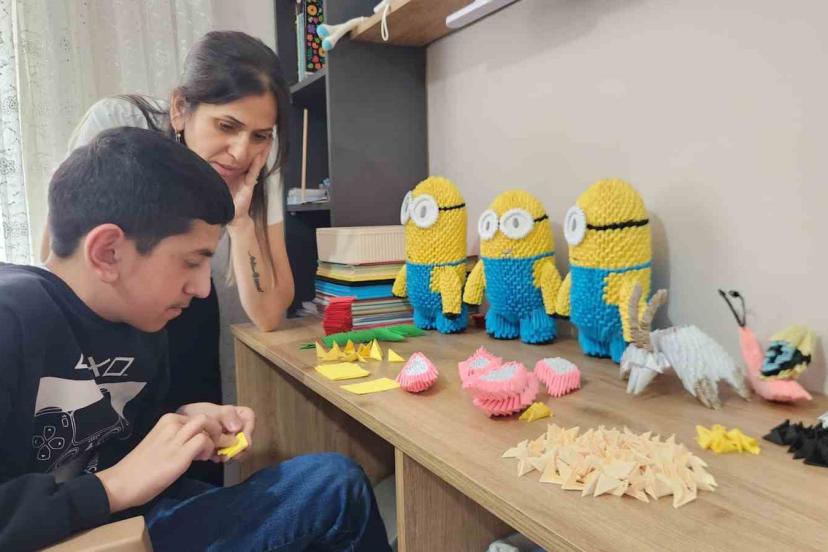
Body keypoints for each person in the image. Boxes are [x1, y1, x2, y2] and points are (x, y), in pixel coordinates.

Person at [0, 127, 390, 551]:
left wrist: (183, 423)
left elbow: (120, 442)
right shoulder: (13, 316)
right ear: (108, 252)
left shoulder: (141, 324)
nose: (203, 288)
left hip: (125, 522)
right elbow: (115, 481)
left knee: (324, 489)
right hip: (76, 534)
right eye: (191, 262)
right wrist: (112, 486)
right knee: (334, 490)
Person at [40, 31, 297, 483]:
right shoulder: (122, 129)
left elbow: (270, 314)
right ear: (180, 108)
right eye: (226, 126)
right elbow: (59, 260)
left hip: (192, 345)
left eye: (260, 135)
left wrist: (239, 222)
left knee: (195, 466)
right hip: (108, 346)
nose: (241, 151)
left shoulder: (255, 171)